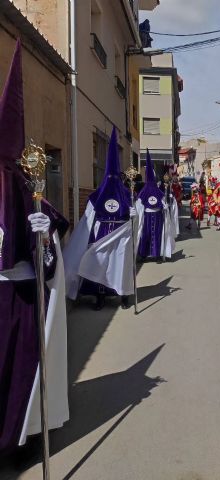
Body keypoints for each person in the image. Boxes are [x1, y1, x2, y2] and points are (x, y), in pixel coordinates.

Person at [0, 40, 69, 454]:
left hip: (18, 299)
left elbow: (46, 264)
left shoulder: (26, 189)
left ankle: (16, 438)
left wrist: (46, 236)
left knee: (18, 373)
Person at [64, 127, 142, 310]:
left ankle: (123, 295)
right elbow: (89, 218)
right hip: (101, 236)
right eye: (110, 176)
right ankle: (100, 296)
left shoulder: (127, 194)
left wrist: (134, 215)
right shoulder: (97, 196)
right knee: (100, 265)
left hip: (121, 237)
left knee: (120, 267)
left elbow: (136, 217)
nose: (112, 179)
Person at [137, 150, 174, 261]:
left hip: (157, 215)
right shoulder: (144, 191)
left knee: (156, 235)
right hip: (147, 216)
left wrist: (166, 206)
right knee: (146, 235)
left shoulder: (157, 191)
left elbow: (163, 203)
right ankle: (143, 255)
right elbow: (140, 205)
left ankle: (156, 255)